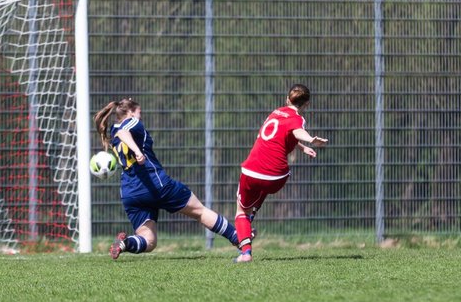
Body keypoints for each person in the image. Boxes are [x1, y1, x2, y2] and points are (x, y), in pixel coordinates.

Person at [94, 97, 241, 258]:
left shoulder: (113, 131)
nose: (140, 117)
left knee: (149, 240)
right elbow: (125, 132)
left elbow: (121, 134)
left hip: (131, 193)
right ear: (130, 112)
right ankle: (237, 237)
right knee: (199, 211)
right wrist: (137, 151)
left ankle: (125, 243)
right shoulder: (130, 123)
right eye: (139, 113)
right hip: (156, 185)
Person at [233, 84, 328, 262]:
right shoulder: (297, 119)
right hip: (277, 178)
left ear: (287, 99)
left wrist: (305, 142)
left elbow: (290, 133)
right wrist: (308, 142)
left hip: (252, 171)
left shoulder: (276, 112)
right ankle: (253, 212)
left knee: (241, 212)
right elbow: (296, 132)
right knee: (266, 185)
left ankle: (245, 253)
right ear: (306, 104)